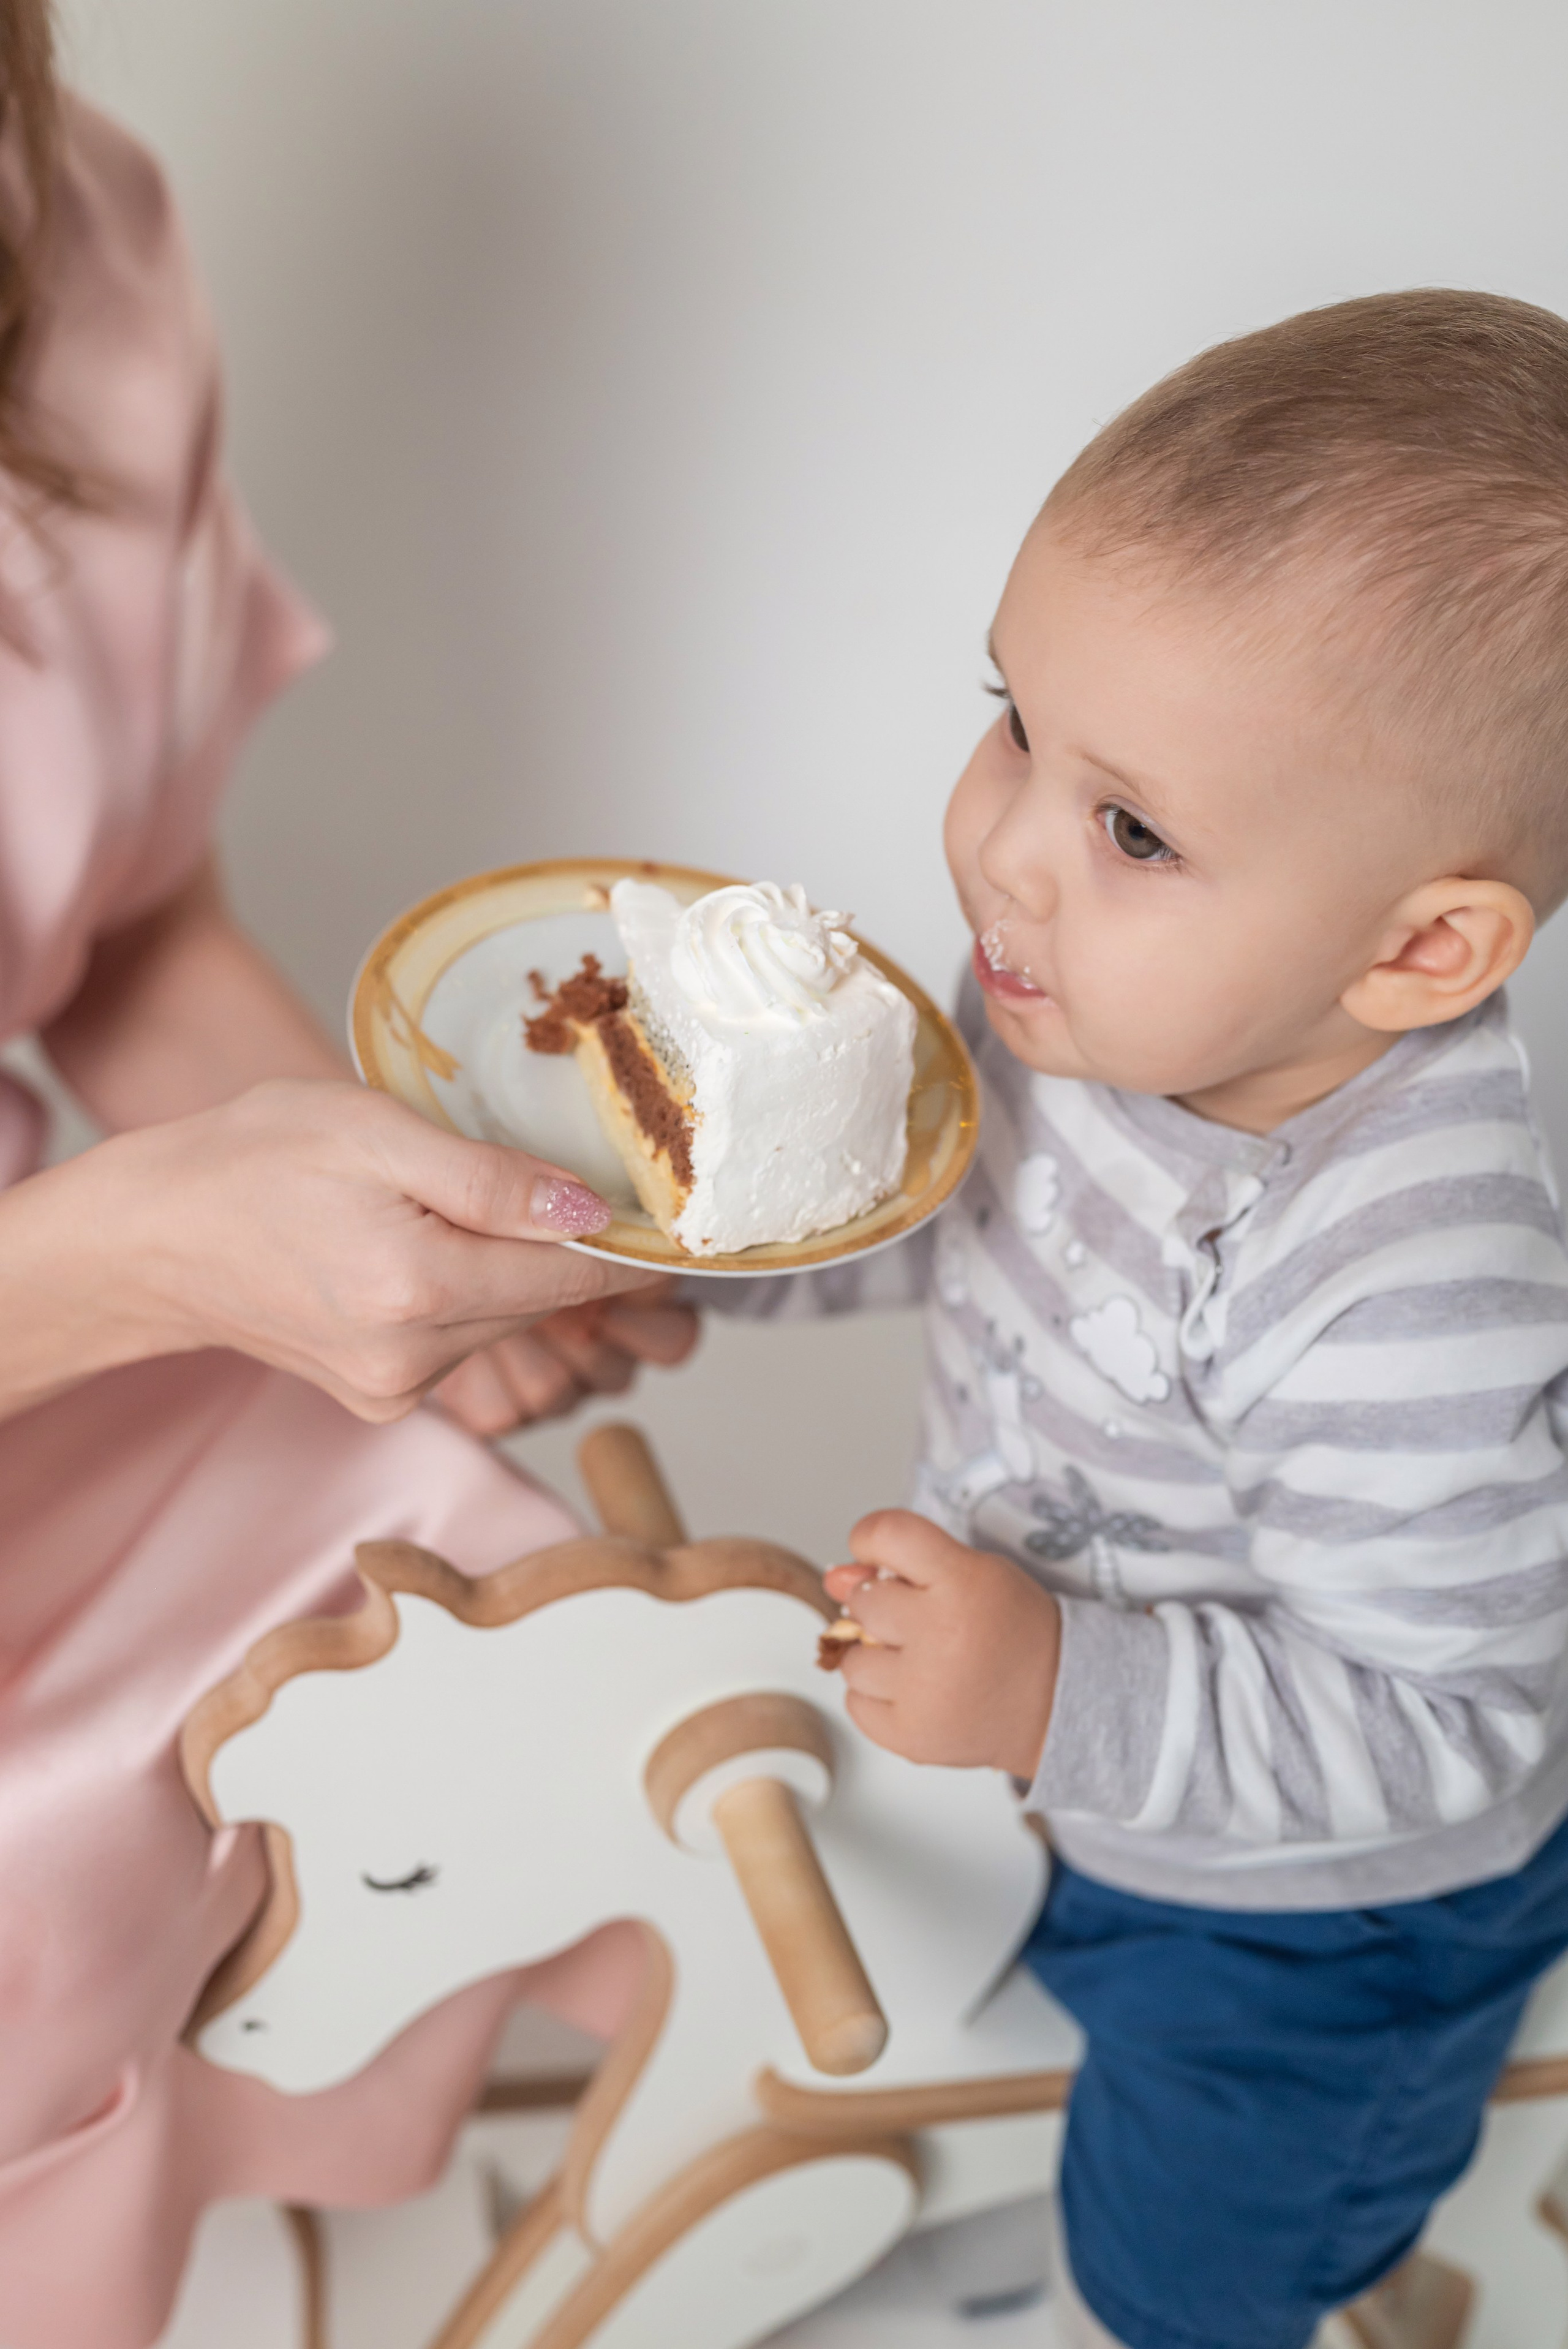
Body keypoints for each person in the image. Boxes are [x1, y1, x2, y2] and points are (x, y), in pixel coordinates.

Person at [707, 290, 1568, 2349]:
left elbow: (1459, 1716)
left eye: (1132, 828)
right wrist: (692, 1245)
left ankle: (1335, 2284)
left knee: (1186, 2278)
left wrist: (1050, 1693)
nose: (1003, 850)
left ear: (1420, 945)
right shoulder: (1083, 991)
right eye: (1012, 715)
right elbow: (926, 1188)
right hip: (1082, 1771)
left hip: (1324, 1929)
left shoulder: (1407, 1276)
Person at [0, 20, 692, 2346]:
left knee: (505, 1569)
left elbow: (117, 900)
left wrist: (415, 1228)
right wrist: (157, 1246)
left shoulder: (71, 227)